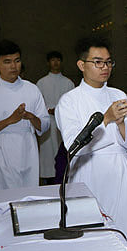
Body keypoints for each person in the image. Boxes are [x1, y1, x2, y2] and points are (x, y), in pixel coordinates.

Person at [55, 36, 127, 251]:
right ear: (81, 65)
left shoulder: (119, 95)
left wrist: (122, 123)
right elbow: (73, 145)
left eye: (108, 62)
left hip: (123, 172)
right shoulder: (69, 101)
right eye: (97, 62)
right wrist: (106, 119)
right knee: (93, 235)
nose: (104, 67)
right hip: (90, 172)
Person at [0, 39, 50, 189]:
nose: (13, 66)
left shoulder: (32, 89)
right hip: (2, 153)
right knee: (7, 199)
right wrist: (9, 120)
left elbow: (45, 125)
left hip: (29, 150)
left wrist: (31, 117)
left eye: (17, 61)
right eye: (7, 62)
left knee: (30, 197)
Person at [36, 51, 75, 184]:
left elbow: (73, 104)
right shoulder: (41, 83)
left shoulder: (68, 83)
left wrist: (59, 110)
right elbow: (37, 104)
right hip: (48, 123)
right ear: (48, 63)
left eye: (58, 60)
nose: (55, 63)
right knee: (48, 154)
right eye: (53, 60)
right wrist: (49, 110)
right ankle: (48, 180)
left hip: (64, 123)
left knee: (63, 152)